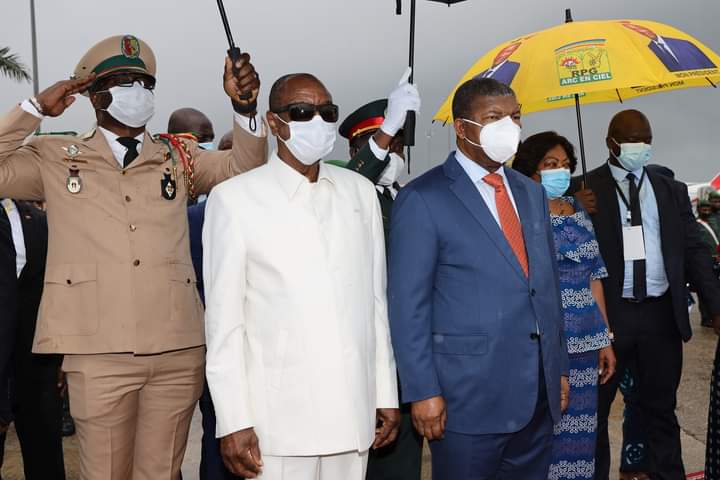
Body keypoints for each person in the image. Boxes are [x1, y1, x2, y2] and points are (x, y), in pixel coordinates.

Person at [0, 34, 267, 479]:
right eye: (124, 82)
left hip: (177, 349)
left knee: (161, 473)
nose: (137, 92)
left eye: (144, 83)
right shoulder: (54, 156)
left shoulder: (177, 157)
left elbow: (244, 170)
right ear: (94, 94)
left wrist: (244, 111)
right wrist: (36, 110)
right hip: (97, 350)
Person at [203, 73, 399, 480]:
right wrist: (233, 420)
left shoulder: (358, 192)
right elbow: (224, 326)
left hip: (352, 415)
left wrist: (385, 393)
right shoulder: (235, 200)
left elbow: (375, 308)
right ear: (274, 123)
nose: (318, 121)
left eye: (326, 112)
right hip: (277, 425)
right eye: (302, 112)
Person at [388, 77, 569, 480]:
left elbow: (546, 284)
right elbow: (407, 306)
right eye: (494, 117)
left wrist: (558, 367)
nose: (510, 126)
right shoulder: (424, 197)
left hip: (536, 394)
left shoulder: (530, 193)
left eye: (515, 116)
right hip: (465, 399)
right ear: (462, 127)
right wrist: (422, 390)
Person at [567, 109, 720, 480]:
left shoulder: (670, 189)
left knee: (661, 412)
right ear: (611, 143)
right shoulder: (582, 188)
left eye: (646, 139)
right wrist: (575, 209)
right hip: (607, 317)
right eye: (632, 139)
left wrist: (715, 307)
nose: (640, 146)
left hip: (659, 316)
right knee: (595, 415)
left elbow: (695, 249)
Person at [513, 131, 616, 480]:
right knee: (548, 437)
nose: (561, 171)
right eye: (551, 164)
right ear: (531, 172)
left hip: (587, 342)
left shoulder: (578, 211)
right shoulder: (523, 217)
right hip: (549, 343)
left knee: (583, 436)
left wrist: (605, 338)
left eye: (566, 165)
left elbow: (594, 276)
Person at [340, 76, 423, 480]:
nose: (393, 151)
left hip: (406, 362)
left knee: (403, 466)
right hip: (358, 358)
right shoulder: (341, 193)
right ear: (357, 150)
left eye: (397, 144)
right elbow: (354, 179)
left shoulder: (410, 198)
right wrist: (386, 129)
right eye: (382, 144)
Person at [0, 199, 65, 479]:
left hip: (36, 363)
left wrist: (62, 354)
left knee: (45, 458)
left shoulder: (36, 218)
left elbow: (57, 290)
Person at [620, 21, 716, 72]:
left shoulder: (684, 44)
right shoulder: (644, 54)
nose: (641, 32)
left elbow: (708, 65)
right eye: (635, 31)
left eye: (639, 28)